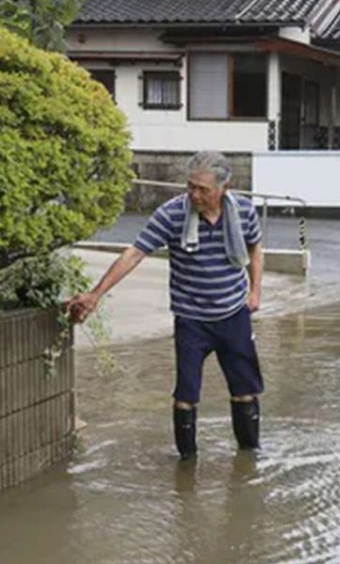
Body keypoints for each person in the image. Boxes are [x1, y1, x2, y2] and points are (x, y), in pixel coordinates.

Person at [66, 151, 266, 460]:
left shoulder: (244, 211)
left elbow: (255, 247)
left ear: (225, 187)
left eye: (203, 189)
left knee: (244, 391)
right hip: (191, 319)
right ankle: (187, 465)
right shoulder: (172, 214)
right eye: (191, 187)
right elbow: (135, 253)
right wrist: (95, 294)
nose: (194, 195)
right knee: (185, 396)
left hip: (233, 314)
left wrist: (255, 292)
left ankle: (249, 459)